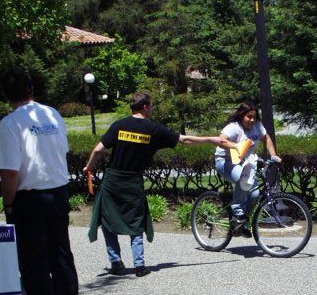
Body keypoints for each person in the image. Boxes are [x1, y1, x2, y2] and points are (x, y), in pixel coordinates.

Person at [84, 92, 224, 275]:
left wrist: (88, 167)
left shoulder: (119, 125)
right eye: (152, 105)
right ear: (145, 107)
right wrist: (211, 139)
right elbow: (184, 140)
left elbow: (98, 149)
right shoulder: (154, 129)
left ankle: (116, 262)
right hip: (133, 181)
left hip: (113, 181)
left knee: (108, 219)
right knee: (136, 220)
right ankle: (140, 266)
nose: (152, 108)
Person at [0, 69, 82, 295]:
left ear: (6, 95)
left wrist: (8, 204)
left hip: (30, 199)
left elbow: (10, 172)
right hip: (58, 193)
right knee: (61, 258)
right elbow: (62, 150)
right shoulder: (52, 114)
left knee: (34, 265)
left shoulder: (10, 123)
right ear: (31, 89)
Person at [215, 101, 281, 237]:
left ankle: (243, 224)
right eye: (249, 117)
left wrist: (273, 155)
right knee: (243, 179)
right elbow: (221, 140)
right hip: (225, 161)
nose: (252, 120)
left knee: (255, 193)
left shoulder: (257, 126)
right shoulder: (233, 127)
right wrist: (235, 146)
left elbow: (266, 139)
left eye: (254, 117)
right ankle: (238, 213)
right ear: (241, 115)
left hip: (244, 163)